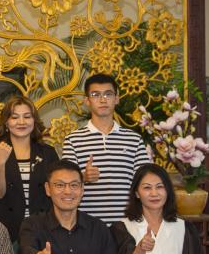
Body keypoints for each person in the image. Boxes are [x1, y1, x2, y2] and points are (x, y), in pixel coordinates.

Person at [62, 73, 151, 223]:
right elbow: (65, 183)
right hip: (87, 225)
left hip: (128, 224)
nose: (103, 100)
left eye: (108, 94)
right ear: (87, 101)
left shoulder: (134, 139)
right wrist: (83, 177)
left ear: (116, 99)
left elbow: (146, 181)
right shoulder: (73, 140)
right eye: (95, 95)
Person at [0, 96, 59, 241]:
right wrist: (0, 163)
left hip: (43, 227)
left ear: (34, 121)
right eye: (15, 117)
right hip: (6, 228)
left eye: (27, 116)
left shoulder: (47, 152)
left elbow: (56, 188)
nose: (21, 122)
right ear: (6, 122)